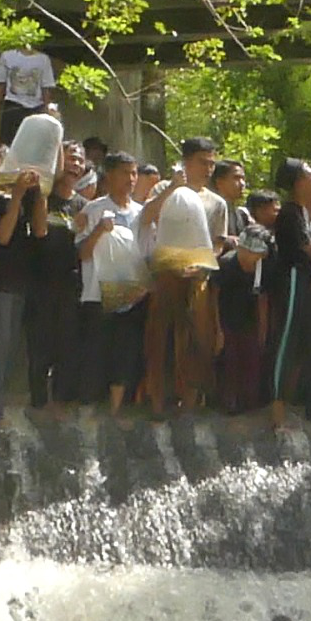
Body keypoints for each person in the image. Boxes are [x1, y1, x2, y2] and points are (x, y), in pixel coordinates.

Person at [140, 137, 227, 413]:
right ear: (186, 161)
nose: (208, 169)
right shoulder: (164, 188)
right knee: (158, 337)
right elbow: (146, 218)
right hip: (164, 273)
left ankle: (189, 401)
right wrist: (174, 188)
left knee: (194, 340)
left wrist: (201, 266)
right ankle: (155, 399)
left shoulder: (217, 203)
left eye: (212, 164)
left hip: (197, 276)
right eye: (203, 162)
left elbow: (218, 243)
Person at [76, 151, 148, 416]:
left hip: (133, 293)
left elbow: (146, 255)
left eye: (134, 173)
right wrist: (99, 230)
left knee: (126, 352)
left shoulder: (142, 213)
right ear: (110, 175)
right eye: (124, 173)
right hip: (98, 292)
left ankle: (117, 411)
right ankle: (89, 410)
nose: (130, 179)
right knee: (96, 352)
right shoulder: (93, 210)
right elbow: (83, 253)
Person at [268, 158, 311, 427]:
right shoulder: (290, 213)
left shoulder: (301, 212)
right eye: (309, 175)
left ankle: (308, 408)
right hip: (293, 280)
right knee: (287, 343)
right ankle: (277, 413)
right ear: (297, 183)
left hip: (306, 279)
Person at [0, 162, 41, 427]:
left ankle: (8, 404)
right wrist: (15, 197)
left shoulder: (28, 197)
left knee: (14, 347)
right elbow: (2, 236)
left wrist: (37, 191)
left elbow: (39, 230)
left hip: (24, 283)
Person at [27, 142, 86, 412]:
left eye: (79, 160)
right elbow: (39, 232)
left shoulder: (84, 205)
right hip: (40, 279)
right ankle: (39, 402)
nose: (74, 164)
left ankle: (62, 400)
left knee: (68, 345)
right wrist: (43, 189)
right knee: (40, 345)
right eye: (69, 158)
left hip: (72, 281)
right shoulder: (41, 197)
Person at [214, 223, 272, 414]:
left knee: (252, 362)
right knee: (230, 362)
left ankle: (250, 403)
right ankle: (229, 402)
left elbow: (262, 299)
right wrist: (216, 329)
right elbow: (213, 295)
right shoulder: (226, 264)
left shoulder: (262, 269)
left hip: (250, 321)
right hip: (227, 319)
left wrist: (262, 331)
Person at [0, 37, 57, 143]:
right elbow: (0, 86)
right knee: (10, 143)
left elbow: (46, 89)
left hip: (35, 108)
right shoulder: (7, 56)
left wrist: (46, 112)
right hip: (12, 106)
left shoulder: (43, 59)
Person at [214, 160, 251, 242]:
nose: (242, 184)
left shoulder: (240, 214)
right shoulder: (210, 210)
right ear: (219, 182)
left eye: (243, 178)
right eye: (236, 178)